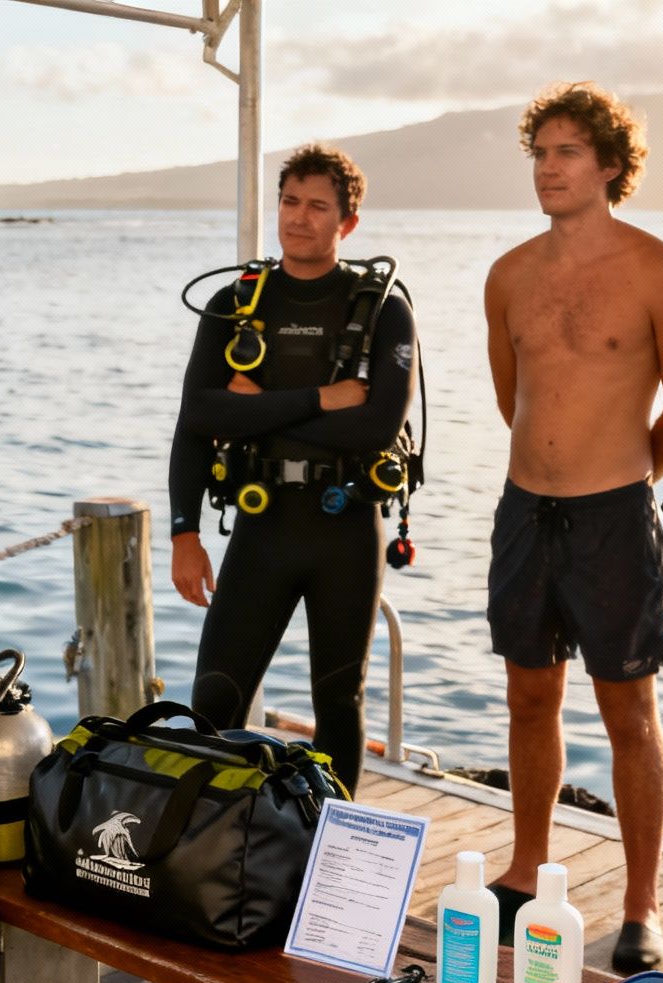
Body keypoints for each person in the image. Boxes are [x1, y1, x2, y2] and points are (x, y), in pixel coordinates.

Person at [481, 83, 663, 973]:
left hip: (615, 516)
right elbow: (513, 398)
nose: (548, 167)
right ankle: (526, 863)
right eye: (539, 152)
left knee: (629, 711)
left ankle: (642, 906)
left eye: (567, 151)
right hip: (522, 511)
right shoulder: (508, 273)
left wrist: (625, 477)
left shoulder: (659, 268)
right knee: (529, 697)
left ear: (611, 165)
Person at [168, 143, 416, 798]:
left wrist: (252, 411)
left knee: (339, 703)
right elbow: (197, 416)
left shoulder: (383, 310)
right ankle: (199, 853)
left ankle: (333, 855)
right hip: (261, 526)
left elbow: (375, 427)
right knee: (212, 702)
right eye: (289, 201)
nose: (299, 218)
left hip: (345, 530)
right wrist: (184, 533)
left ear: (348, 224)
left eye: (317, 206)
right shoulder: (236, 301)